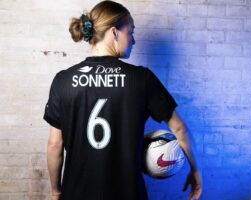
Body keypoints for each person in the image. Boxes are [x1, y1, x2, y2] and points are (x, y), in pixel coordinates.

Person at [44, 1, 202, 200]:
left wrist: (56, 192)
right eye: (131, 31)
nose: (134, 40)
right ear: (114, 32)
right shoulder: (142, 79)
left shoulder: (63, 80)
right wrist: (195, 170)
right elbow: (180, 129)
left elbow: (54, 145)